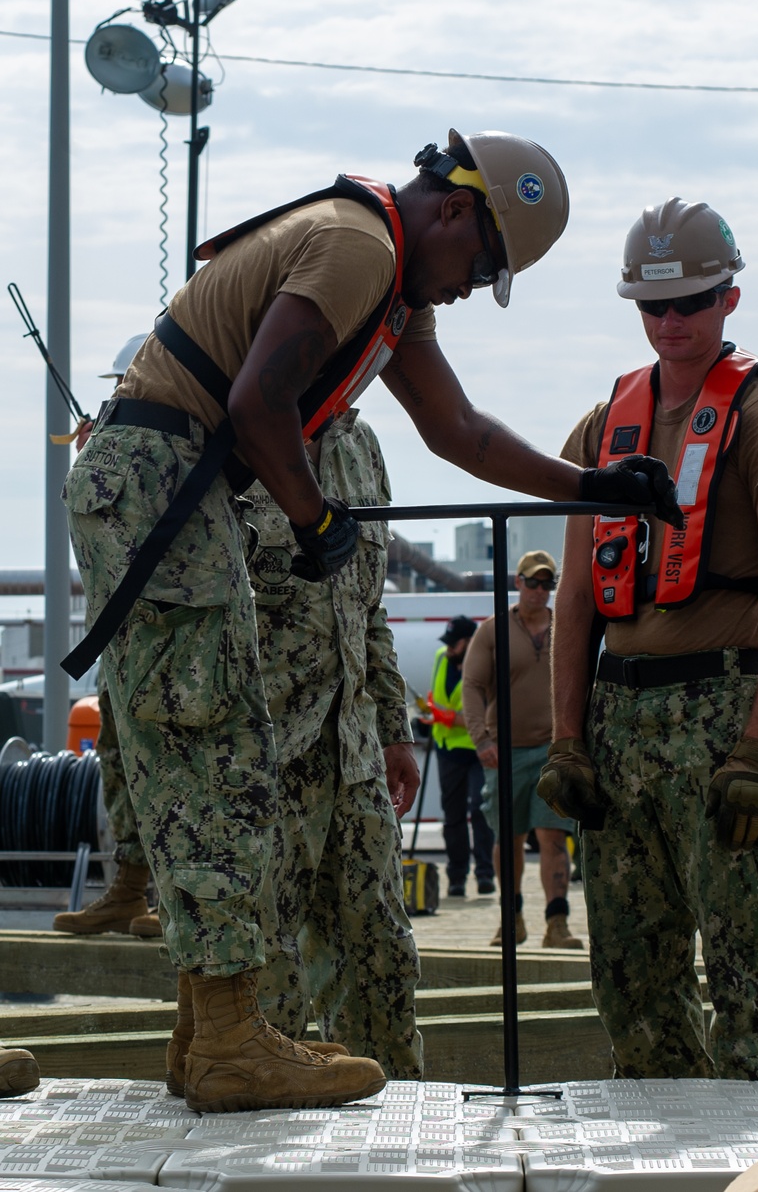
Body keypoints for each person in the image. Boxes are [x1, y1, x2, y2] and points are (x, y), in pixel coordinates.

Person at [62, 128, 682, 1114]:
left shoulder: (392, 285)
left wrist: (593, 487)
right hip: (159, 474)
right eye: (482, 267)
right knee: (211, 746)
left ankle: (204, 1034)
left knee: (203, 746)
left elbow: (459, 431)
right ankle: (227, 1039)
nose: (471, 289)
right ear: (453, 210)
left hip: (175, 482)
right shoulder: (361, 246)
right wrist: (314, 519)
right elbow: (263, 399)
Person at [542, 198, 758, 1090]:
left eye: (691, 303)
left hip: (721, 715)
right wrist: (567, 739)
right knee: (630, 976)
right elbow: (578, 600)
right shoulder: (602, 426)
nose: (671, 323)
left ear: (728, 300)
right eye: (653, 308)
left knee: (745, 967)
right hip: (622, 719)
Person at [251, 411, 423, 1080]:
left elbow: (367, 604)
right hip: (263, 757)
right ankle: (260, 1136)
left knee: (381, 954)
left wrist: (392, 729)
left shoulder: (359, 445)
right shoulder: (231, 431)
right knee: (266, 968)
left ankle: (399, 1115)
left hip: (354, 750)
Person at [54, 335, 159, 939]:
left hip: (171, 643)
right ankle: (128, 886)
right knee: (117, 762)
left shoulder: (185, 445)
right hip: (120, 640)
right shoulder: (112, 453)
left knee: (175, 770)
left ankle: (175, 904)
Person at [462, 549, 582, 948]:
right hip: (505, 752)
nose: (540, 590)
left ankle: (557, 922)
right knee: (508, 837)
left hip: (554, 752)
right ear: (518, 583)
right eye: (533, 582)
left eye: (548, 583)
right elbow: (473, 686)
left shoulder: (565, 626)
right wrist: (482, 740)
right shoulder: (492, 630)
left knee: (554, 836)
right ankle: (511, 918)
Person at [426, 616, 495, 898]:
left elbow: (490, 713)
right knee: (452, 815)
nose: (449, 647)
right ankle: (456, 876)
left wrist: (452, 719)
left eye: (455, 643)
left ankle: (485, 874)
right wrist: (430, 717)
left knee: (481, 811)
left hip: (479, 749)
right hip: (448, 751)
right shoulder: (441, 657)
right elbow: (437, 696)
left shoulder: (487, 663)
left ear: (469, 642)